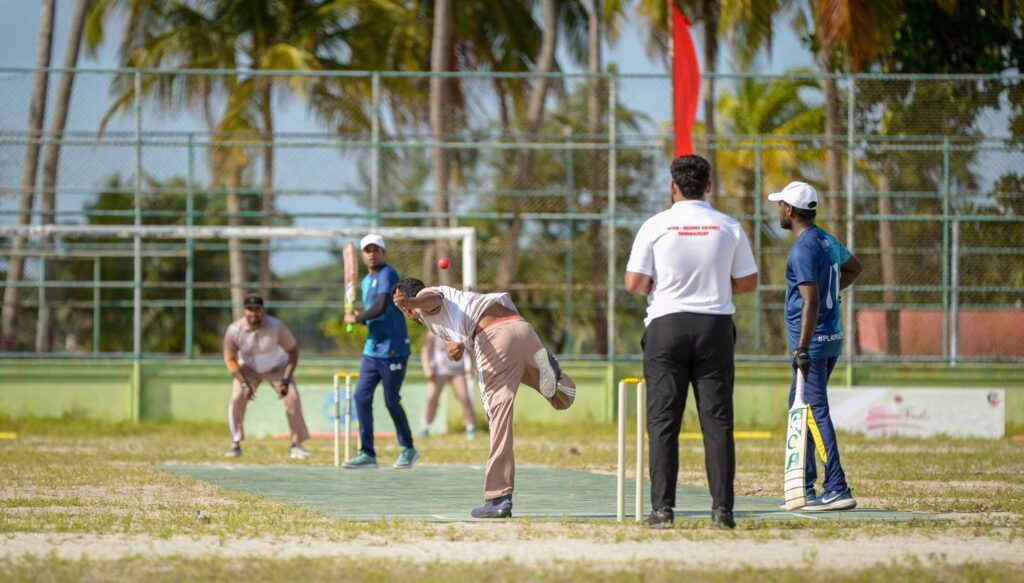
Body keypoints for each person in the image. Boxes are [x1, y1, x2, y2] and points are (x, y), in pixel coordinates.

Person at [624, 154, 759, 530]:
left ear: (673, 187)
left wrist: (662, 284)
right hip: (715, 326)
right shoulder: (729, 226)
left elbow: (634, 283)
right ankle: (722, 512)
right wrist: (716, 284)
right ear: (709, 186)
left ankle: (662, 511)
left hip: (666, 327)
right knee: (717, 422)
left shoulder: (655, 225)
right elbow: (749, 281)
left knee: (663, 422)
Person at [392, 279, 575, 519]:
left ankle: (498, 497)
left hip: (493, 338)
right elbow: (446, 332)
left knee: (498, 416)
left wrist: (412, 301)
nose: (402, 309)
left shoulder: (426, 298)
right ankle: (558, 378)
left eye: (400, 304)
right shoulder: (436, 319)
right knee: (561, 398)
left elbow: (432, 300)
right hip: (520, 328)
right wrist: (453, 345)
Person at [771, 181, 862, 511]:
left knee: (812, 409)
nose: (778, 210)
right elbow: (854, 268)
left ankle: (836, 486)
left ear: (789, 210)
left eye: (780, 205)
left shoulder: (803, 249)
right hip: (829, 338)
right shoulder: (825, 240)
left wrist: (802, 348)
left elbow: (809, 301)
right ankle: (805, 486)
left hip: (814, 342)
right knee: (799, 406)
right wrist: (832, 292)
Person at [342, 234, 418, 469]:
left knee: (391, 400)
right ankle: (367, 453)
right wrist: (360, 316)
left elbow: (382, 305)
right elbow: (372, 312)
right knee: (360, 397)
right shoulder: (366, 281)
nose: (372, 254)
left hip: (394, 349)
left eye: (376, 250)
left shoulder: (388, 274)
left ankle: (408, 448)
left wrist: (357, 318)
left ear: (384, 253)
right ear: (363, 255)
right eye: (367, 250)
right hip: (372, 349)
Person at [222, 294, 311, 459]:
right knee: (236, 399)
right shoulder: (234, 330)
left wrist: (286, 380)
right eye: (249, 309)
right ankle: (236, 443)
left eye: (257, 309)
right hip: (248, 370)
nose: (253, 313)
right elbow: (229, 359)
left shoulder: (276, 326)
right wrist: (244, 383)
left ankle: (296, 444)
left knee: (292, 398)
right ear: (244, 311)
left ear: (263, 310)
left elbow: (293, 352)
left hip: (277, 369)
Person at [420, 331, 477, 440]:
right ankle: (425, 427)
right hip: (438, 371)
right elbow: (426, 349)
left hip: (458, 371)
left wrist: (471, 367)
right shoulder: (433, 330)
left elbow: (470, 349)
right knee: (431, 397)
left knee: (464, 397)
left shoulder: (460, 329)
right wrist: (427, 368)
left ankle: (471, 427)